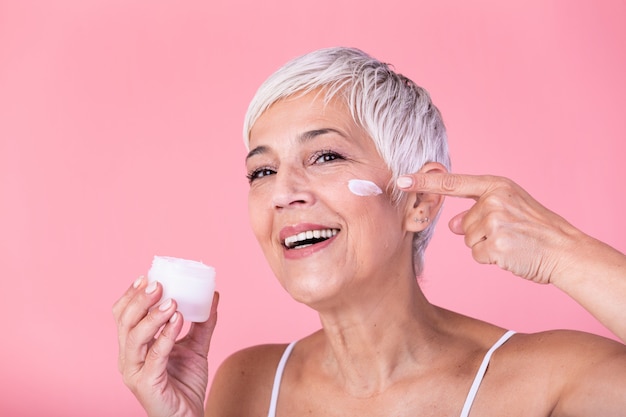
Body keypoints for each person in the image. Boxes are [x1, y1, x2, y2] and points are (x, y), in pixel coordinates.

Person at [113, 47, 626, 417]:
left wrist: (564, 253)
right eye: (262, 171)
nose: (282, 193)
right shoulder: (248, 384)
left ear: (419, 201)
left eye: (326, 156)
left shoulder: (551, 381)